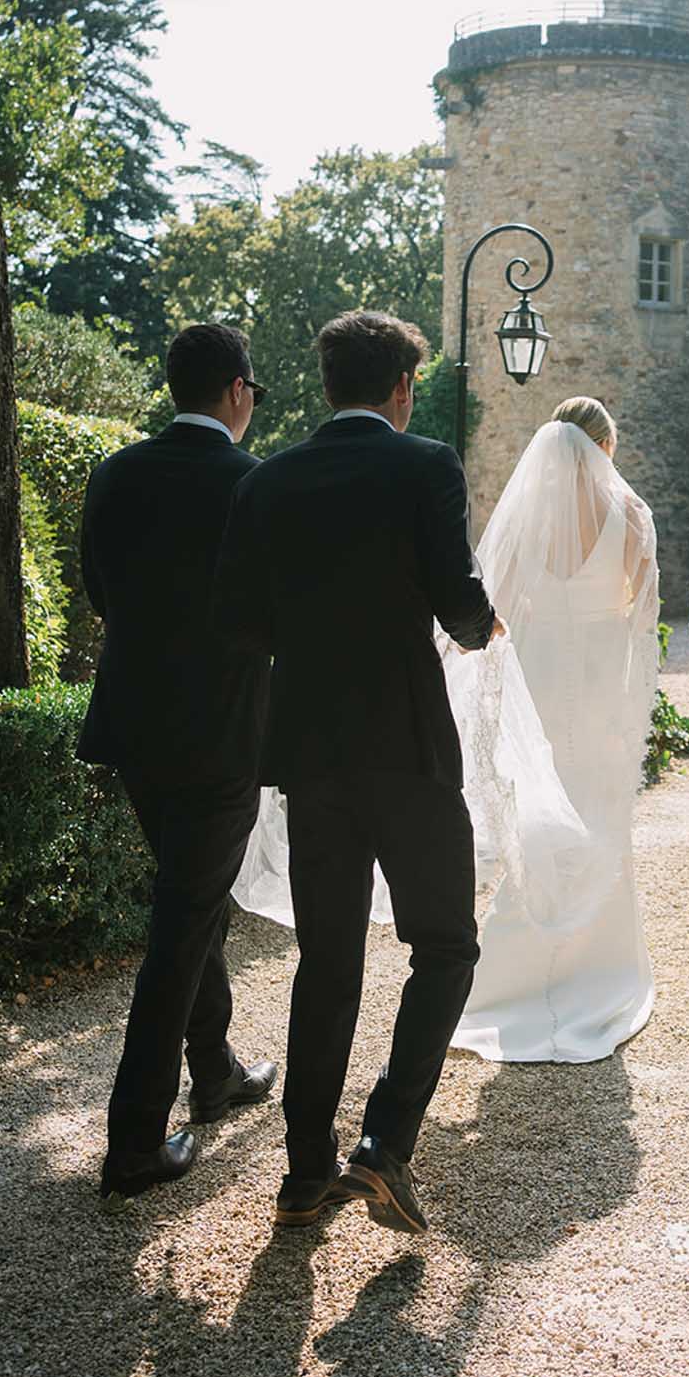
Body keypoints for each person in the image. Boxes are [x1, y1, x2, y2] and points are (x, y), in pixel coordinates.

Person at [214, 310, 501, 1235]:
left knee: (326, 961)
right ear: (403, 388)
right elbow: (460, 609)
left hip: (310, 751)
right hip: (409, 748)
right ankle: (384, 1143)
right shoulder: (425, 467)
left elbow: (240, 623)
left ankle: (303, 1176)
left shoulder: (270, 480)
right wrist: (482, 623)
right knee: (446, 945)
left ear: (331, 382)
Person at [78, 324, 277, 1201]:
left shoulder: (115, 473)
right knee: (183, 919)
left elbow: (97, 588)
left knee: (191, 902)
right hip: (222, 733)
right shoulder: (250, 484)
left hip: (132, 729)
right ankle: (132, 1140)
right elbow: (276, 612)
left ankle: (219, 1068)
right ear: (236, 389)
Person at [445, 395, 660, 1063]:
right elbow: (642, 619)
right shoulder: (629, 515)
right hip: (598, 683)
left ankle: (504, 982)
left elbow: (493, 606)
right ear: (606, 450)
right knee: (599, 819)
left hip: (541, 680)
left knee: (539, 822)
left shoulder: (530, 517)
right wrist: (631, 710)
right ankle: (600, 972)